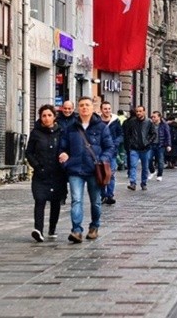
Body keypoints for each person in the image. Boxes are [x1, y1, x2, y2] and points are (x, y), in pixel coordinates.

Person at [58, 96, 114, 243]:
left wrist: (103, 159)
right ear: (78, 108)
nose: (84, 108)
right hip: (75, 169)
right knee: (76, 200)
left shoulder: (101, 127)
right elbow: (63, 147)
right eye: (81, 105)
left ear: (93, 108)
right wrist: (64, 156)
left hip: (94, 170)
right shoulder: (71, 128)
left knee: (95, 201)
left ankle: (94, 226)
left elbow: (109, 147)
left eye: (87, 105)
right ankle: (76, 230)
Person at [25, 104, 67, 242]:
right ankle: (38, 230)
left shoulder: (61, 132)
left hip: (57, 173)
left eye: (49, 115)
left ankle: (52, 228)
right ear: (40, 118)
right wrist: (36, 165)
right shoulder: (36, 133)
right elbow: (29, 152)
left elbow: (66, 148)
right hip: (41, 174)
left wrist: (65, 157)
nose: (46, 118)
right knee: (40, 200)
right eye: (44, 115)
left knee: (55, 202)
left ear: (54, 117)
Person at [122, 105, 157, 191]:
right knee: (133, 165)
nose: (138, 113)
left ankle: (143, 183)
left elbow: (153, 134)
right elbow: (128, 133)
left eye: (140, 111)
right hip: (134, 148)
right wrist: (130, 142)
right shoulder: (132, 122)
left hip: (145, 148)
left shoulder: (149, 122)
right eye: (137, 111)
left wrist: (148, 142)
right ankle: (133, 183)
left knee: (145, 167)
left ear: (144, 112)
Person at [99, 101, 123, 205]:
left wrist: (116, 143)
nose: (107, 111)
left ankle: (110, 195)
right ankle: (103, 195)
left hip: (112, 152)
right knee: (100, 175)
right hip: (100, 152)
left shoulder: (115, 121)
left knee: (111, 174)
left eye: (109, 108)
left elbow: (121, 134)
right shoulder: (97, 121)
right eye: (105, 109)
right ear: (101, 110)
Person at [149, 111, 171, 182]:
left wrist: (168, 145)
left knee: (160, 161)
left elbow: (168, 135)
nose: (153, 118)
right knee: (148, 159)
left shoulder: (164, 125)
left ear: (159, 117)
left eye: (154, 117)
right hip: (151, 145)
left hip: (160, 145)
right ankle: (152, 171)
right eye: (152, 117)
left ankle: (159, 175)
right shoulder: (150, 125)